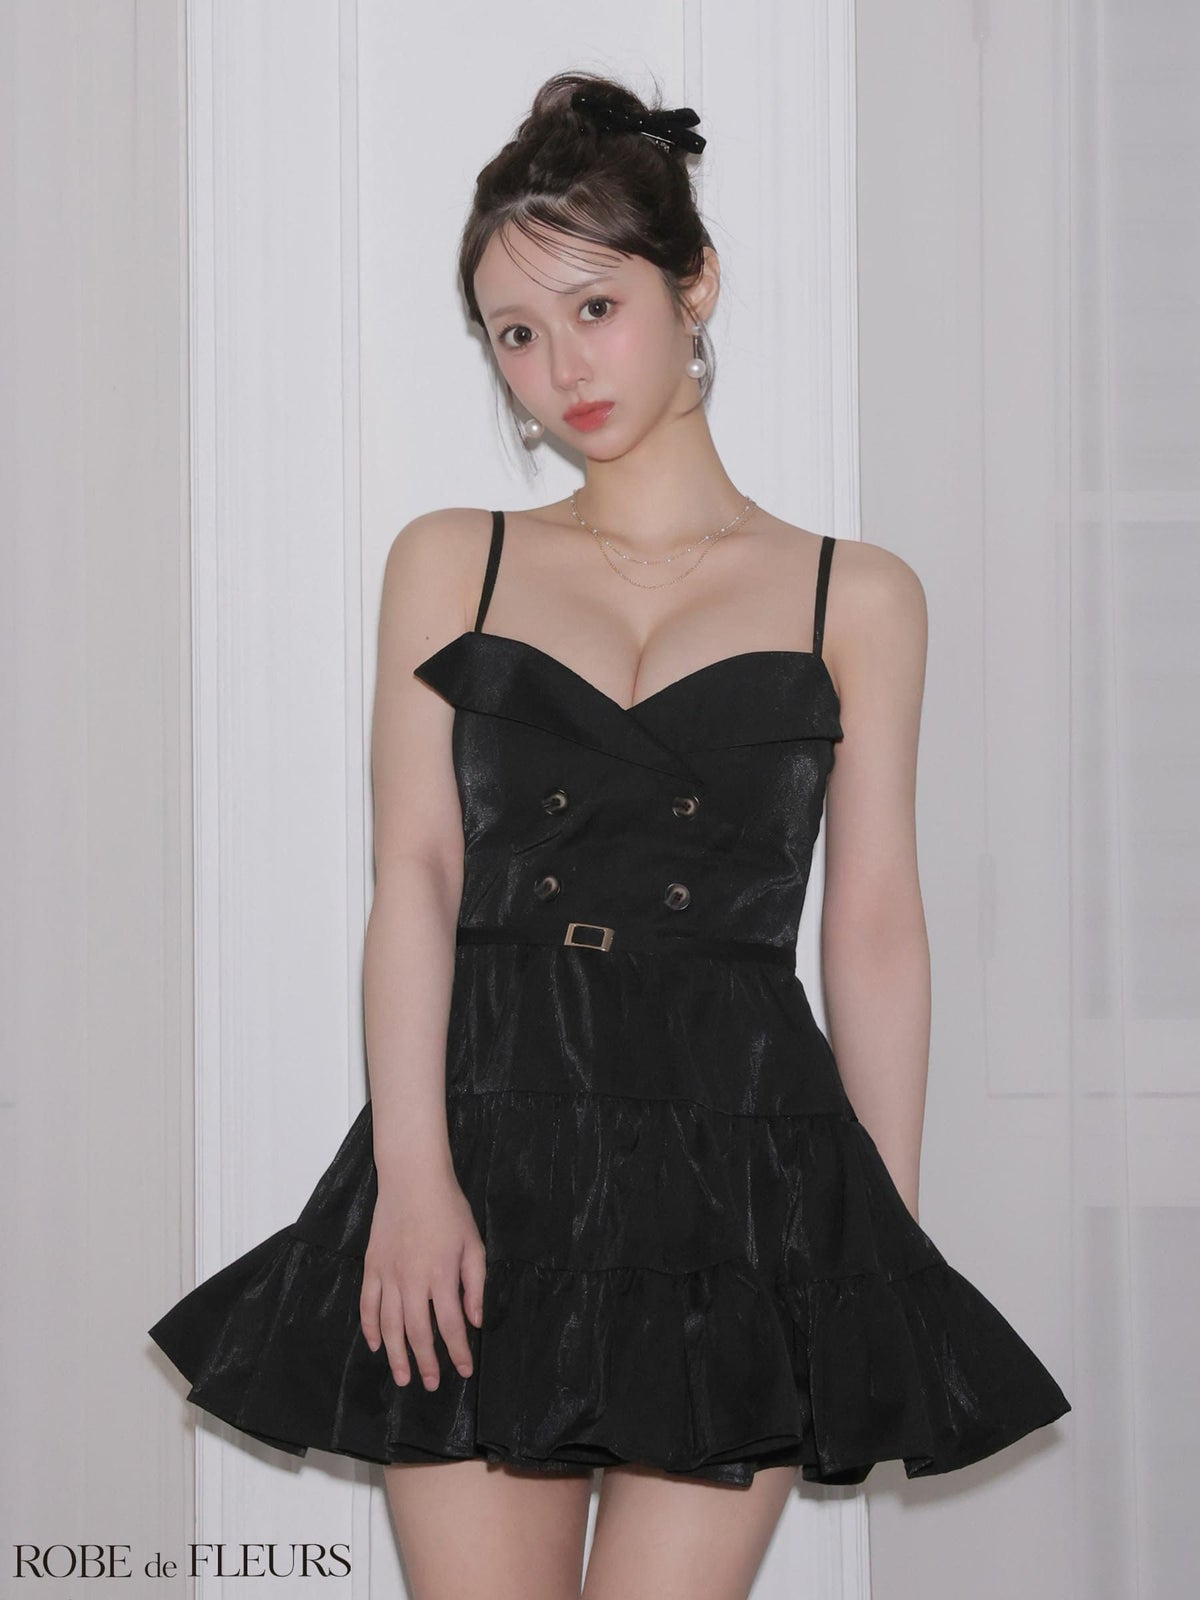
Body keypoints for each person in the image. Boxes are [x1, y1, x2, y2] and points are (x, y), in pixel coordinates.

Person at [148, 70, 1071, 1600]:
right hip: (483, 1143)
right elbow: (415, 876)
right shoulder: (451, 561)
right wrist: (413, 1176)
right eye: (514, 333)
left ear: (693, 285)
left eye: (594, 307)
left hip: (742, 1168)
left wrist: (875, 1246)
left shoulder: (859, 596)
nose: (558, 366)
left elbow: (874, 926)